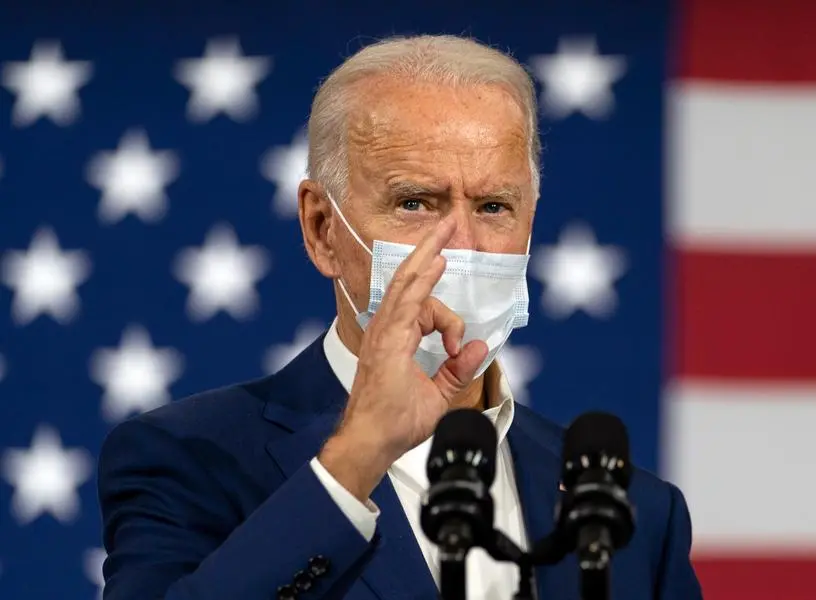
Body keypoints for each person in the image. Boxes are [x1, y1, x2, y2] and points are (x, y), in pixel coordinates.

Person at [97, 34, 703, 600]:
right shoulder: (186, 460)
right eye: (415, 202)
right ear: (322, 228)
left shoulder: (636, 512)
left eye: (495, 206)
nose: (460, 244)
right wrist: (353, 459)